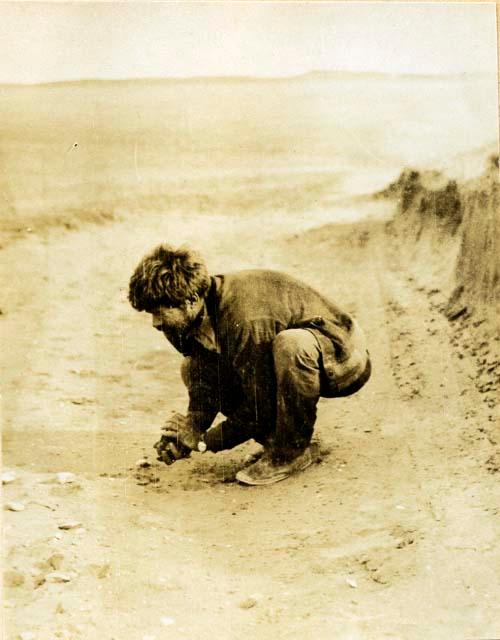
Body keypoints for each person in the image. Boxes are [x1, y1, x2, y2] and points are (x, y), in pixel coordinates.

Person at [128, 244, 371, 486]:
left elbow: (260, 406)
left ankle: (291, 451)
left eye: (159, 312)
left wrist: (205, 442)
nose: (155, 323)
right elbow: (206, 378)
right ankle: (277, 440)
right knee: (190, 367)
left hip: (343, 357)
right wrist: (189, 429)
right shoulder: (179, 323)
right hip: (290, 356)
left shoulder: (245, 318)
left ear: (191, 300)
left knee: (291, 345)